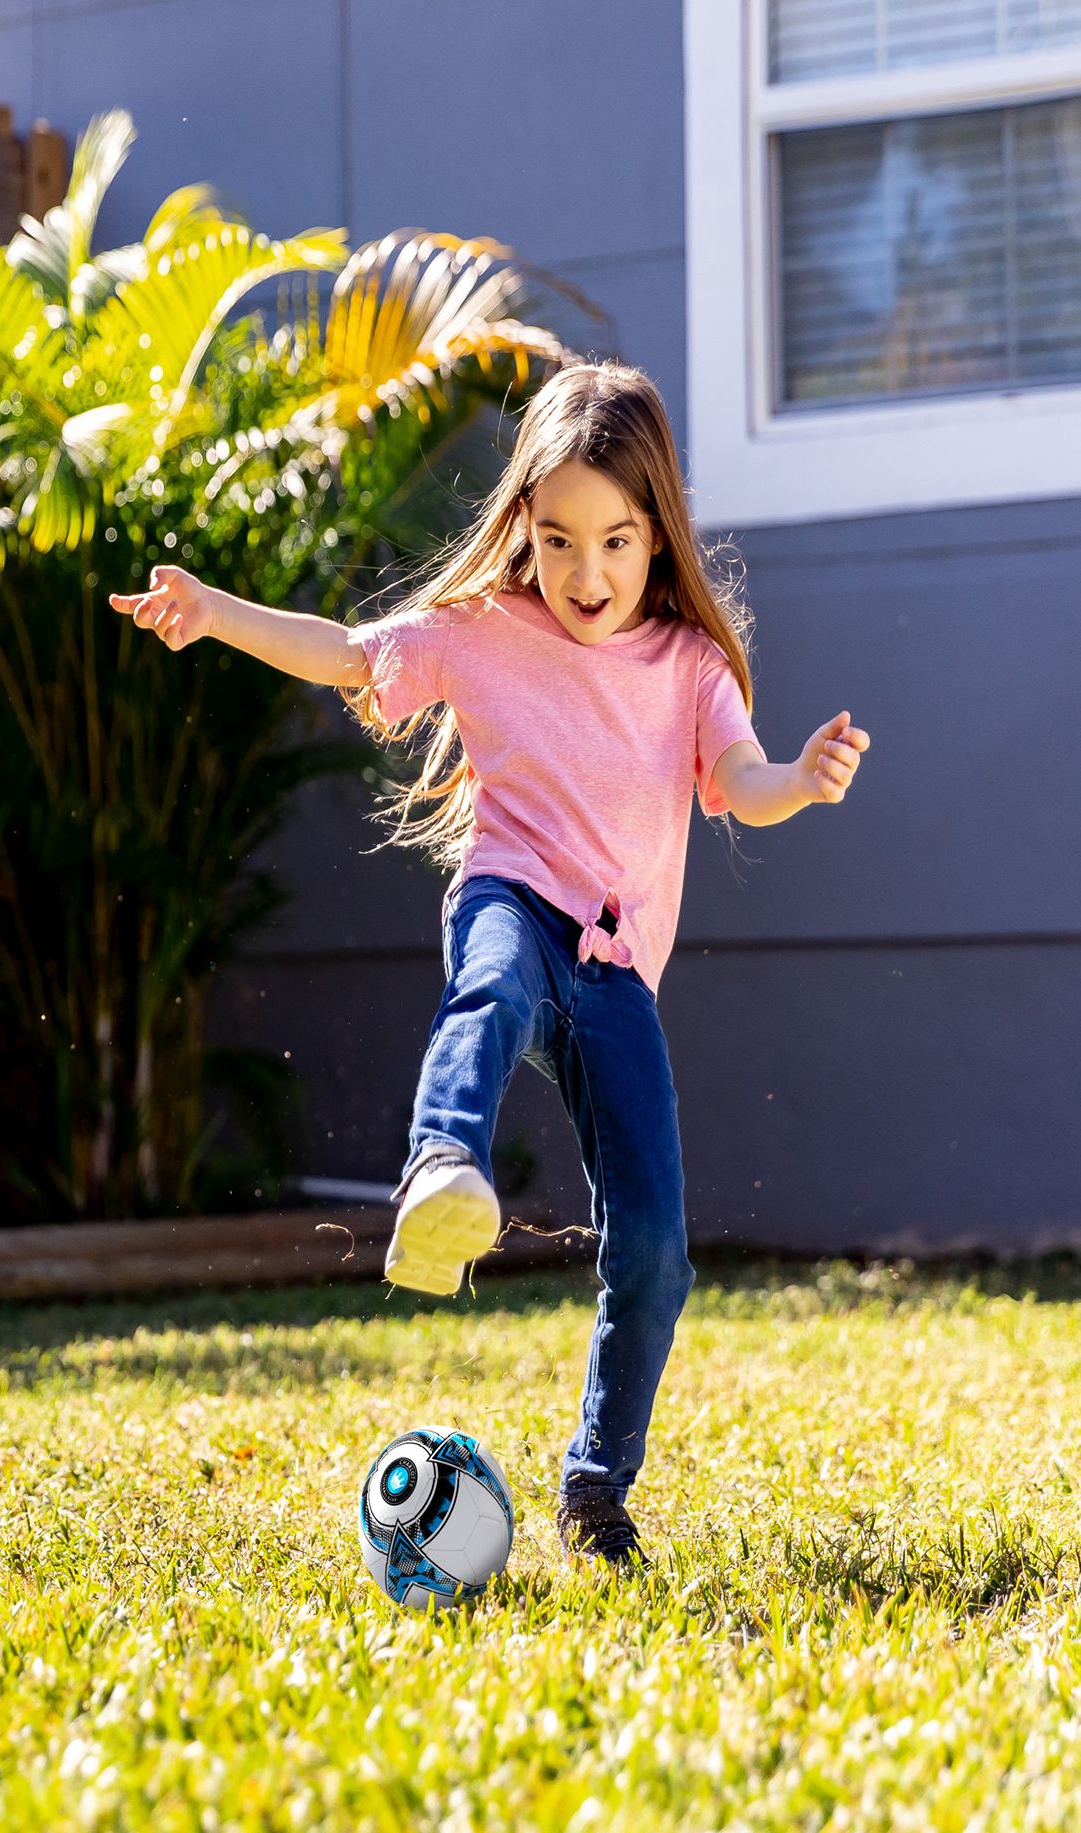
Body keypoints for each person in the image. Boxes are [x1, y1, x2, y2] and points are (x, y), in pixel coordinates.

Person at [109, 359, 870, 1570]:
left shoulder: (688, 666)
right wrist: (216, 614)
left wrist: (802, 781)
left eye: (615, 542)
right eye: (558, 540)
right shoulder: (481, 631)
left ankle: (597, 1489)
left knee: (655, 1252)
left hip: (618, 973)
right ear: (524, 523)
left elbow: (741, 778)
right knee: (490, 989)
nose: (585, 574)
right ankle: (441, 1167)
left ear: (657, 534)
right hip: (512, 897)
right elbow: (349, 653)